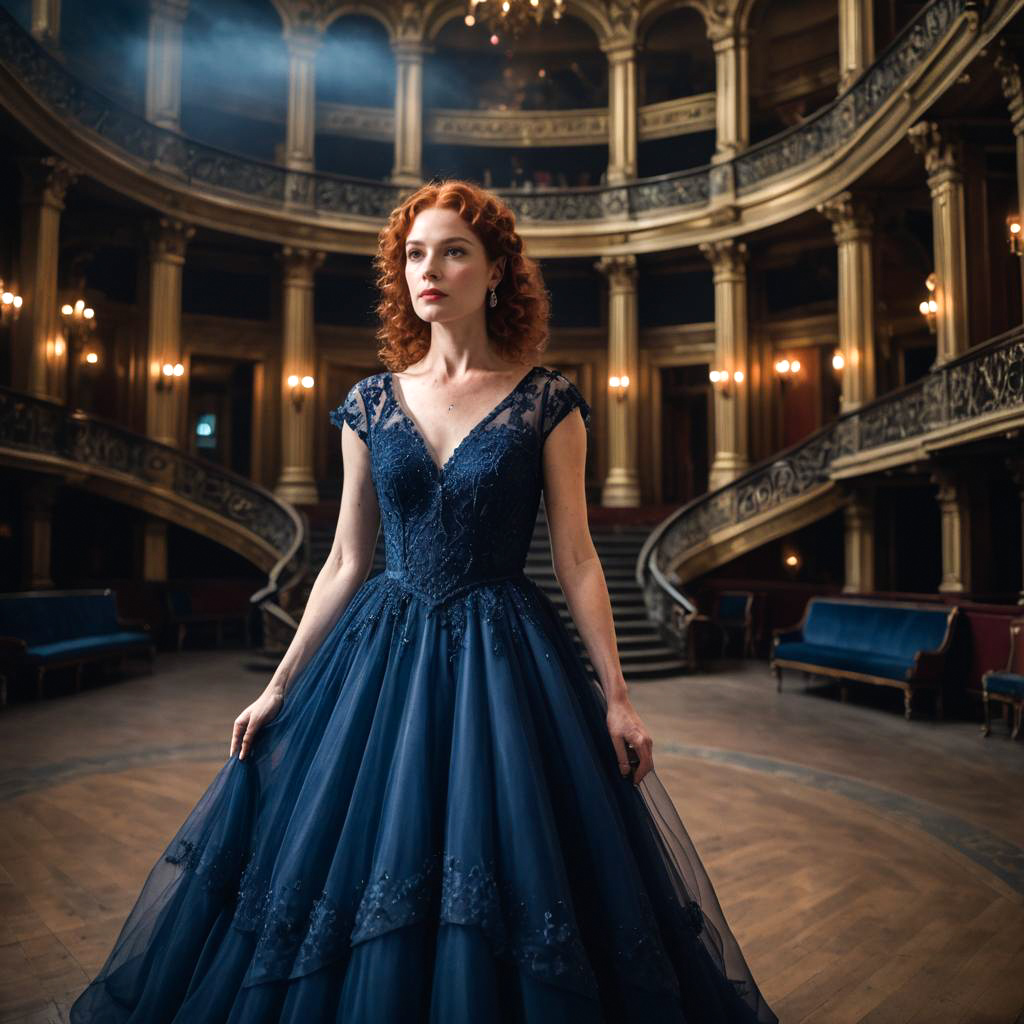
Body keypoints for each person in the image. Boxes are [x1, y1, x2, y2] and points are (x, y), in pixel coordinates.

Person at [70, 180, 777, 1023]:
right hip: (380, 652)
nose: (427, 270)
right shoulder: (370, 403)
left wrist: (618, 697)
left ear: (497, 271)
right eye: (413, 254)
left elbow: (579, 559)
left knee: (521, 852)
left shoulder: (547, 400)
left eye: (452, 251)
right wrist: (278, 686)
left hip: (506, 657)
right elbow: (342, 561)